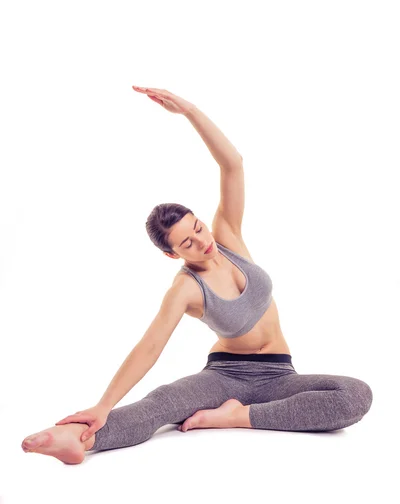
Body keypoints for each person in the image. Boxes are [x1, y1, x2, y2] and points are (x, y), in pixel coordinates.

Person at [21, 87, 373, 464]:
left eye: (198, 228)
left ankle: (237, 417)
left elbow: (233, 164)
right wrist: (103, 404)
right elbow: (150, 347)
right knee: (161, 404)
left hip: (280, 376)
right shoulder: (186, 288)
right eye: (187, 243)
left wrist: (189, 111)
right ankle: (77, 439)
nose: (202, 242)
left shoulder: (228, 237)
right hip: (223, 376)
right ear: (172, 253)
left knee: (355, 395)